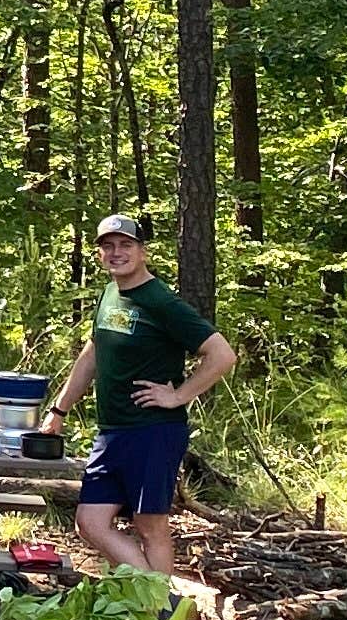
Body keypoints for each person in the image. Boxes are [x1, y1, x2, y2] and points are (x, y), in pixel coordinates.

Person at [33, 213, 237, 575]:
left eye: (126, 245)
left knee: (150, 526)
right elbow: (93, 353)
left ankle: (159, 614)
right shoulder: (111, 292)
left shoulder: (160, 301)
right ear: (99, 253)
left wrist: (178, 396)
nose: (116, 253)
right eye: (108, 246)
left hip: (153, 431)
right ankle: (153, 603)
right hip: (113, 432)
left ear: (142, 251)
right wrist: (59, 409)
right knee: (90, 521)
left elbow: (222, 354)